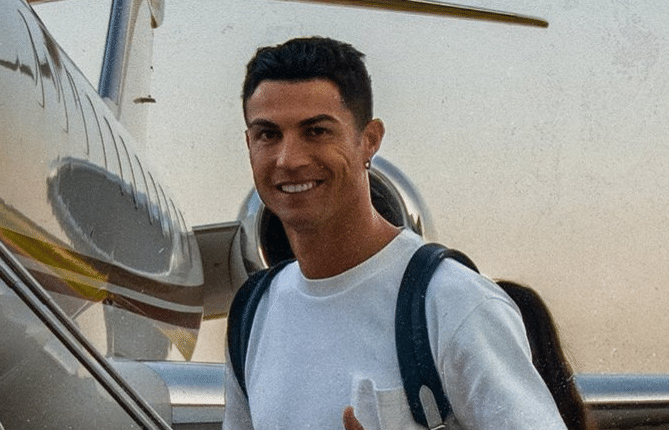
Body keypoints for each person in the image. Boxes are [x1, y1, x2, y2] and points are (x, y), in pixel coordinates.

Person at [223, 36, 568, 430]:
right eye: (268, 135)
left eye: (316, 131)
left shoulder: (454, 302)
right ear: (248, 143)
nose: (289, 159)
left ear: (369, 140)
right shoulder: (253, 315)